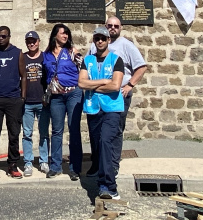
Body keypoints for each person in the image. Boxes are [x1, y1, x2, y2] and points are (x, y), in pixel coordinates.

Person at [87, 16, 148, 174]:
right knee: (95, 131)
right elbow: (87, 65)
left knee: (115, 130)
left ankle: (113, 164)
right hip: (96, 95)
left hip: (118, 94)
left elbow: (141, 67)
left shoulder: (126, 45)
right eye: (110, 25)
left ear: (121, 28)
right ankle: (96, 163)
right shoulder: (95, 45)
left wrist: (129, 85)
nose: (113, 28)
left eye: (116, 26)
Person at [80, 26, 125, 200]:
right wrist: (104, 81)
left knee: (106, 141)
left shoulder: (116, 60)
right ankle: (102, 183)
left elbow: (115, 86)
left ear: (108, 40)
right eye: (97, 38)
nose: (100, 41)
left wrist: (93, 85)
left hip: (111, 108)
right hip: (93, 108)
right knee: (98, 147)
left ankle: (109, 186)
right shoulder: (88, 60)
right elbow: (81, 83)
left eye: (103, 38)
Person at [0, 26, 25, 181]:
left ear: (9, 36)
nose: (0, 39)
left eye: (3, 36)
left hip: (13, 99)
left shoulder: (17, 53)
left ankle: (13, 164)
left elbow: (24, 76)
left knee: (14, 133)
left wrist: (22, 97)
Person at [43, 23, 83, 180]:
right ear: (55, 35)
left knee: (74, 129)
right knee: (57, 131)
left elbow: (84, 68)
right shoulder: (46, 54)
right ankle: (55, 166)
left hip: (73, 93)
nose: (65, 36)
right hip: (56, 97)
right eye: (62, 33)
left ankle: (75, 168)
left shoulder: (72, 51)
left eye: (67, 33)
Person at [21, 30, 49, 177]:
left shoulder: (45, 57)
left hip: (42, 101)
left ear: (38, 42)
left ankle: (44, 161)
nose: (31, 44)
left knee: (44, 133)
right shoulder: (22, 57)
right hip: (27, 102)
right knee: (27, 134)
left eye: (34, 41)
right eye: (29, 41)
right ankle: (28, 162)